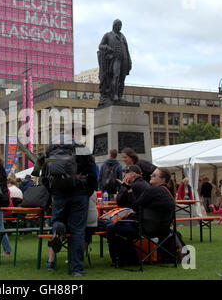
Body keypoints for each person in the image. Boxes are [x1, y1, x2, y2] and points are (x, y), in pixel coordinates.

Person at [40, 133, 98, 277]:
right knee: (78, 231)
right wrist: (87, 191)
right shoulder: (83, 149)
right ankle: (76, 269)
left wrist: (53, 191)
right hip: (80, 193)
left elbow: (43, 176)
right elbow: (92, 174)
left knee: (57, 220)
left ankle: (57, 229)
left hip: (59, 193)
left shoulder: (51, 150)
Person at [106, 167, 175, 267]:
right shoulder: (168, 192)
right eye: (152, 174)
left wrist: (129, 190)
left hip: (145, 229)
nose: (151, 176)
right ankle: (131, 257)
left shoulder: (152, 191)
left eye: (154, 175)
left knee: (110, 227)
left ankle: (120, 259)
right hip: (163, 230)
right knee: (123, 226)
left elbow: (135, 206)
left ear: (163, 179)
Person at [97, 19, 132, 106]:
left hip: (124, 59)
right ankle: (114, 95)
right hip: (115, 58)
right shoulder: (108, 35)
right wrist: (107, 48)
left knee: (122, 78)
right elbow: (100, 46)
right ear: (114, 26)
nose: (120, 27)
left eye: (121, 25)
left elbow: (127, 49)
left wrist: (129, 60)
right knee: (116, 76)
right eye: (119, 25)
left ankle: (120, 96)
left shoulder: (123, 36)